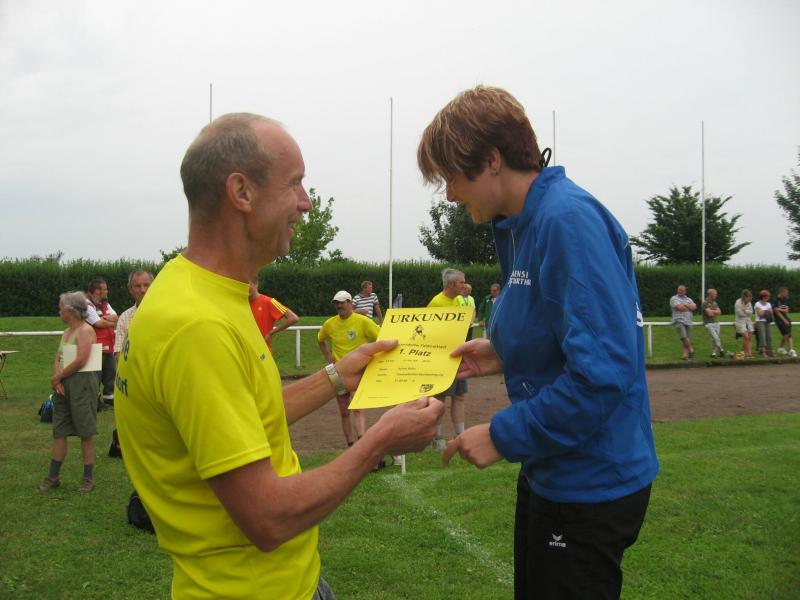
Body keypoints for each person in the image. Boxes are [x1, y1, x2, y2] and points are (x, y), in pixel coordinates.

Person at [115, 113, 443, 600]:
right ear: (241, 192)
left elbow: (247, 417)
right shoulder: (198, 326)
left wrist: (338, 374)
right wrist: (379, 441)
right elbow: (267, 518)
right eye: (294, 183)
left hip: (287, 582)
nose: (306, 202)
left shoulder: (197, 291)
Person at [418, 86, 658, 599]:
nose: (450, 195)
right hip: (552, 466)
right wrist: (502, 354)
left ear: (492, 160)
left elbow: (603, 375)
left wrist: (503, 435)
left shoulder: (566, 221)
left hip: (590, 479)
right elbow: (561, 329)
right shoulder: (523, 226)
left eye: (452, 177)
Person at [39, 291, 100, 494]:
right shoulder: (66, 332)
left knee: (86, 431)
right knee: (60, 430)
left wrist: (58, 377)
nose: (59, 311)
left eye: (61, 307)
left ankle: (88, 479)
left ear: (71, 310)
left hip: (83, 383)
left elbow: (82, 359)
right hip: (64, 383)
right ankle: (53, 476)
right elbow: (58, 358)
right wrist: (57, 379)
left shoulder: (85, 330)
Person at [317, 291, 379, 450]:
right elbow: (320, 339)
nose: (338, 306)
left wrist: (372, 357)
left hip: (357, 370)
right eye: (336, 303)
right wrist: (328, 355)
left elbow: (380, 337)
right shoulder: (330, 324)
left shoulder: (363, 321)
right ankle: (351, 445)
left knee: (358, 407)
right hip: (336, 372)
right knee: (344, 410)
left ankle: (361, 442)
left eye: (341, 302)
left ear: (350, 303)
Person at [427, 268, 469, 450]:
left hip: (459, 354)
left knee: (459, 396)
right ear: (451, 284)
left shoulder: (459, 300)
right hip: (443, 357)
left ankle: (460, 435)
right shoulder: (436, 303)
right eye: (461, 282)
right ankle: (437, 438)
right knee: (440, 398)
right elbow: (428, 331)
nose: (465, 285)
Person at [85, 278, 118, 408]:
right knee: (95, 377)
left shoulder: (105, 304)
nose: (107, 291)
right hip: (95, 346)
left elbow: (116, 317)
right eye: (105, 289)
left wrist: (104, 319)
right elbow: (98, 323)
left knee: (110, 373)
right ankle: (95, 401)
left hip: (109, 345)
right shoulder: (86, 305)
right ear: (97, 291)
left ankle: (109, 398)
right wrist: (110, 322)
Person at [249, 277, 299, 353]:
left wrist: (271, 333)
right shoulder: (241, 303)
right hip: (245, 350)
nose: (245, 288)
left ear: (256, 284)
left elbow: (293, 318)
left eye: (248, 285)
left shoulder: (269, 301)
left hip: (263, 350)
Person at [114, 270, 154, 361]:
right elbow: (118, 353)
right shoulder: (125, 317)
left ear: (154, 285)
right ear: (130, 289)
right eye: (137, 286)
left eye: (146, 285)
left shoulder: (166, 313)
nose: (143, 290)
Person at [670, 285, 696, 361]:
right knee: (684, 337)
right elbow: (679, 308)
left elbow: (694, 307)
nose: (680, 291)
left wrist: (685, 305)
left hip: (688, 321)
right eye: (679, 290)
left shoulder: (689, 299)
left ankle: (685, 355)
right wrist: (689, 307)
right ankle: (691, 349)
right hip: (679, 320)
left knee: (687, 338)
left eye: (682, 290)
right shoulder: (674, 298)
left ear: (685, 291)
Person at [701, 288, 728, 358]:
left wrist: (712, 311)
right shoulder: (705, 303)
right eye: (715, 294)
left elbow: (720, 312)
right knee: (715, 337)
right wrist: (715, 311)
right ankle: (721, 350)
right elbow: (709, 314)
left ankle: (714, 353)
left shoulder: (715, 303)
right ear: (710, 294)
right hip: (708, 323)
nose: (716, 295)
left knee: (715, 338)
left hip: (716, 322)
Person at [772, 287, 796, 357]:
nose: (787, 294)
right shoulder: (775, 300)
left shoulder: (785, 300)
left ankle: (781, 348)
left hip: (786, 318)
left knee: (786, 334)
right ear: (781, 292)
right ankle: (791, 350)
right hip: (779, 319)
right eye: (786, 292)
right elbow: (775, 311)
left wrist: (779, 309)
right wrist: (784, 319)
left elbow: (786, 310)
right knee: (787, 334)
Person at [734, 289, 755, 358]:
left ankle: (746, 353)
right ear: (745, 297)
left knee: (750, 336)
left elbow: (751, 312)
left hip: (748, 320)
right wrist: (746, 312)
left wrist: (745, 311)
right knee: (746, 336)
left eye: (751, 298)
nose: (750, 300)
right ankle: (747, 353)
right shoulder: (738, 302)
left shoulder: (749, 303)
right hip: (740, 321)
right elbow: (739, 313)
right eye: (749, 298)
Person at [754, 290, 774, 357]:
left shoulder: (769, 304)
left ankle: (769, 351)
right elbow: (759, 314)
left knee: (769, 336)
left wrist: (764, 312)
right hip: (760, 322)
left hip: (767, 321)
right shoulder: (757, 304)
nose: (769, 297)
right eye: (768, 296)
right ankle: (763, 352)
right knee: (762, 336)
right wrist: (767, 311)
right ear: (763, 296)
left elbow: (771, 313)